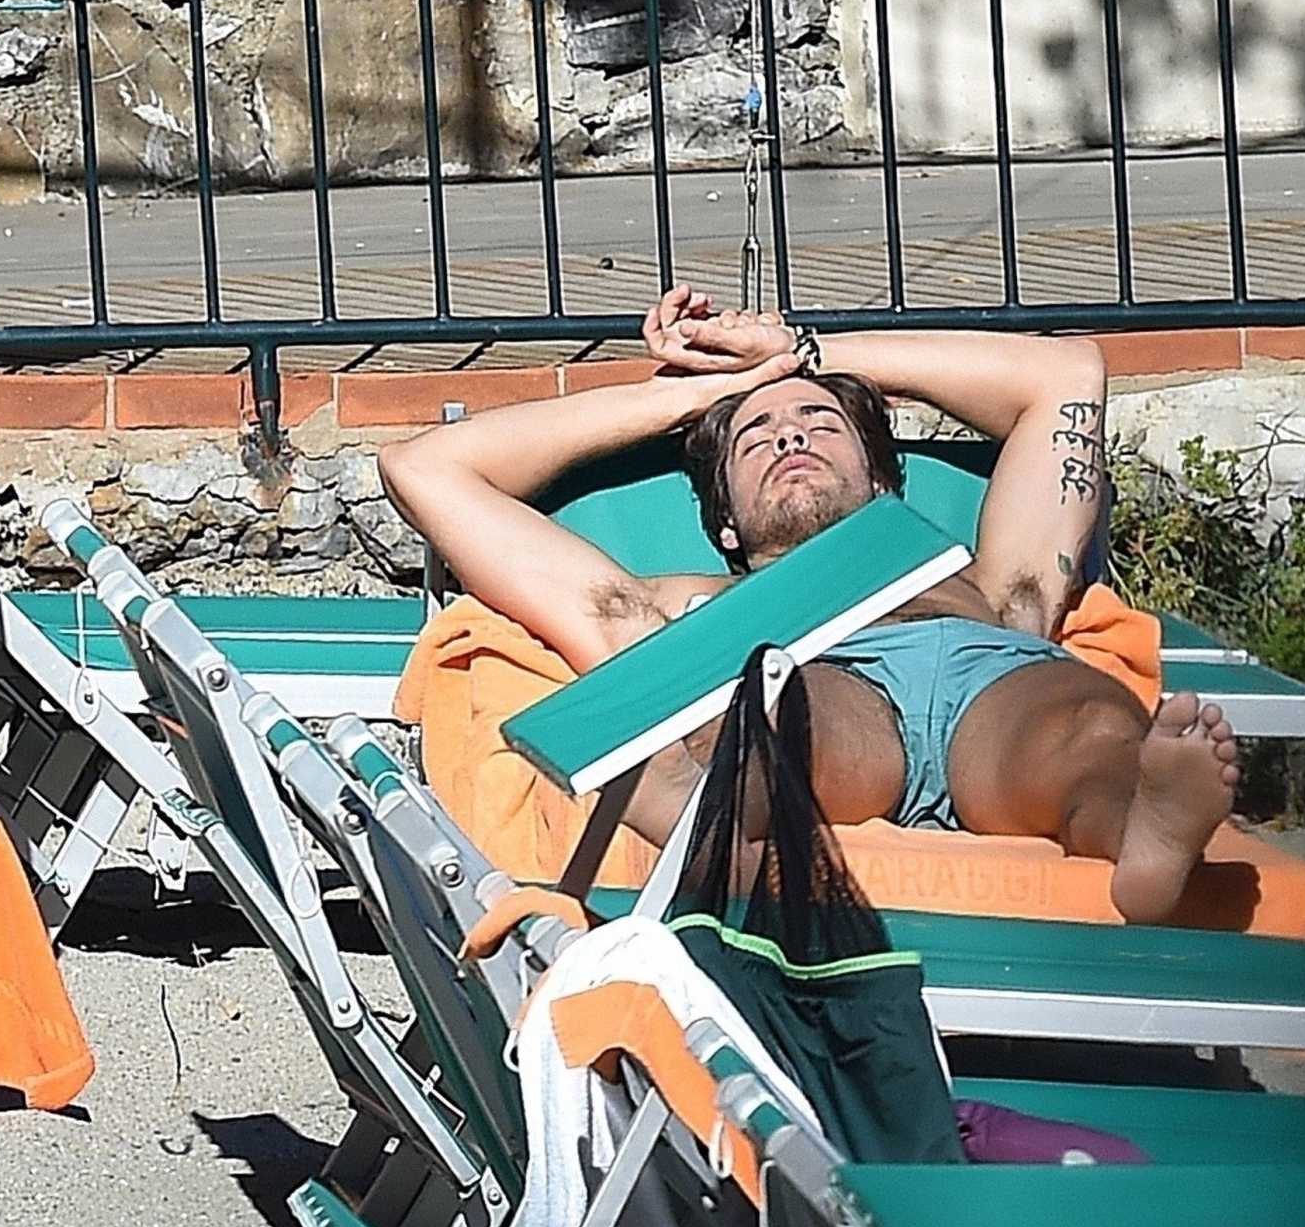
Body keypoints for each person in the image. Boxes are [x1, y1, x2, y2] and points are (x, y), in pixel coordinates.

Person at [379, 286, 1242, 925]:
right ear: (724, 519)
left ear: (881, 478)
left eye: (821, 423)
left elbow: (1066, 373)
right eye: (754, 437)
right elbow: (423, 468)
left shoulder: (988, 578)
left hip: (996, 676)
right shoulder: (694, 600)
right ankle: (708, 809)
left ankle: (1142, 834)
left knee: (1093, 728)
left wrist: (799, 352)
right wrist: (693, 395)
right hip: (821, 683)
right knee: (776, 715)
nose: (789, 432)